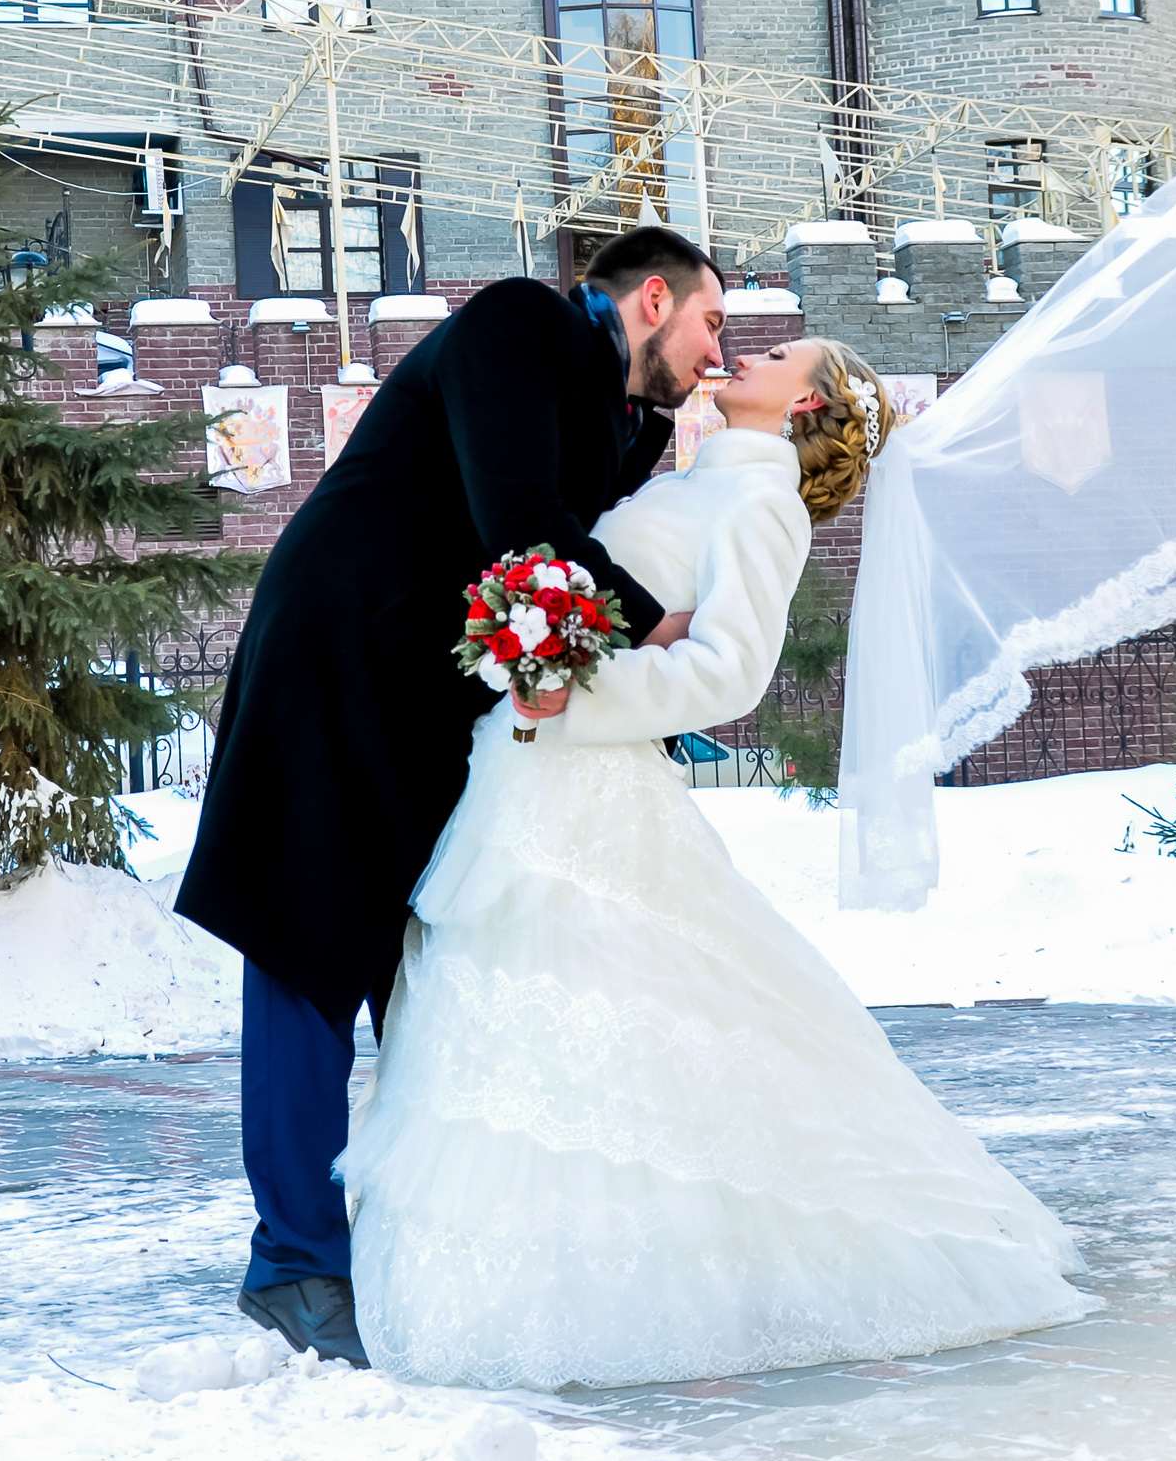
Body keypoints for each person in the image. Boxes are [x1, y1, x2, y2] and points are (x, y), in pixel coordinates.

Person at [338, 337, 1091, 1390]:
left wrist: (573, 694)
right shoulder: (691, 480)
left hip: (589, 789)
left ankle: (659, 1276)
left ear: (809, 404)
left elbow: (728, 671)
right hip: (525, 778)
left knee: (611, 1019)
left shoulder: (764, 507)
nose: (749, 349)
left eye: (783, 352)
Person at [175, 227, 730, 1366]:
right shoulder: (518, 324)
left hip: (436, 697)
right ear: (654, 297)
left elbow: (571, 542)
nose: (718, 353)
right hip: (337, 654)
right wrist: (653, 628)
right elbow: (519, 518)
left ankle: (398, 1235)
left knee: (418, 967)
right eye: (714, 323)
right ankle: (293, 1265)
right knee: (306, 956)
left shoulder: (635, 425)